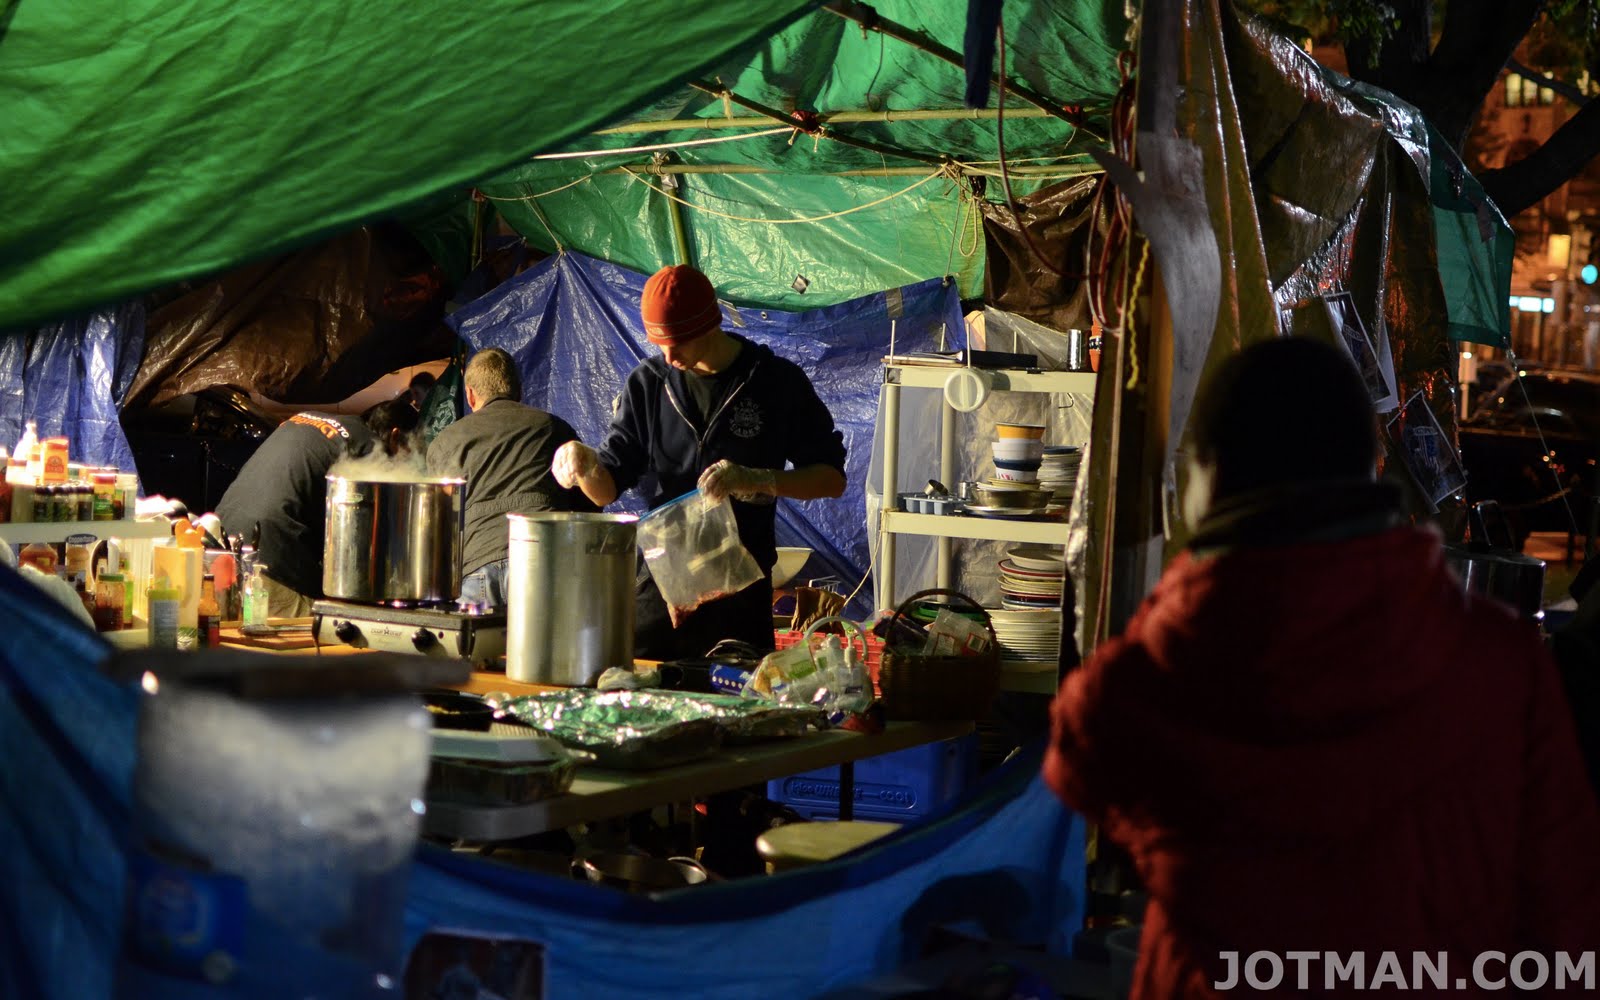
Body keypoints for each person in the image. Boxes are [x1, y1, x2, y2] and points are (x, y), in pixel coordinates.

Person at [1044, 337, 1600, 998]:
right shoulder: (1502, 661)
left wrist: (1198, 583)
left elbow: (1079, 765)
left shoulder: (1148, 682)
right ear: (1368, 473)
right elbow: (1566, 909)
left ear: (1207, 477)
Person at [553, 264, 846, 658]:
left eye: (678, 341)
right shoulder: (648, 384)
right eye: (659, 343)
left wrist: (757, 479)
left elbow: (831, 480)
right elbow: (605, 491)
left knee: (737, 696)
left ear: (711, 324)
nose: (669, 356)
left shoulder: (775, 383)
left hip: (740, 597)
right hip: (662, 595)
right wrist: (583, 462)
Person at [216, 400, 418, 616]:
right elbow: (361, 547)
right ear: (395, 437)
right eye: (412, 450)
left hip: (219, 543)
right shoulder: (369, 447)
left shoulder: (309, 418)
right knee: (323, 632)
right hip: (271, 563)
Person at [427, 347, 589, 610]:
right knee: (546, 639)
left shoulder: (444, 443)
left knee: (476, 639)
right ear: (518, 390)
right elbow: (587, 503)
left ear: (470, 395)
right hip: (543, 562)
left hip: (477, 565)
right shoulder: (553, 428)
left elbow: (439, 524)